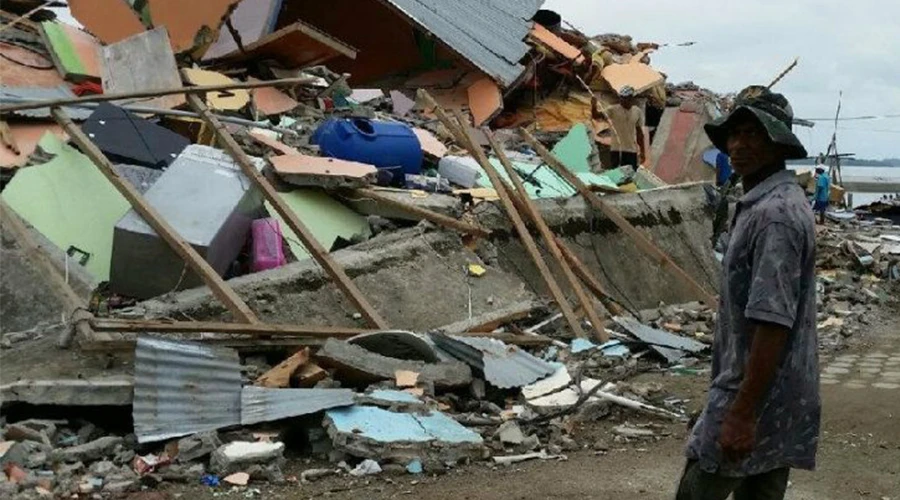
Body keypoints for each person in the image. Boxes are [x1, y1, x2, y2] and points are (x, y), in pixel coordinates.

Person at [676, 85, 820, 500]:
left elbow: (772, 321)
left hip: (753, 396)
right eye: (735, 134)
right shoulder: (769, 203)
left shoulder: (775, 215)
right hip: (776, 397)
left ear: (778, 143)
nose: (739, 145)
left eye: (754, 135)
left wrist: (740, 412)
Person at [592, 85, 646, 168]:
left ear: (631, 98)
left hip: (631, 150)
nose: (622, 100)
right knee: (618, 174)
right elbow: (596, 116)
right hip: (616, 150)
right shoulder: (613, 110)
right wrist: (593, 106)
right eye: (621, 97)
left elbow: (639, 133)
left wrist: (642, 151)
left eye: (625, 98)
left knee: (631, 175)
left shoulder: (637, 111)